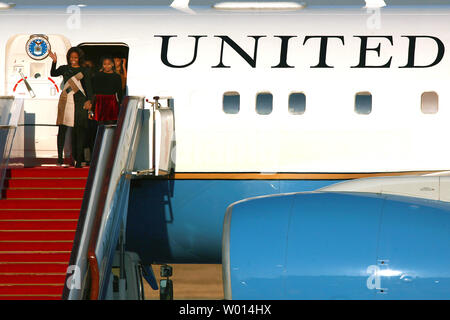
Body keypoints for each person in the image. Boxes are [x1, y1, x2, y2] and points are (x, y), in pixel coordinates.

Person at [49, 47, 93, 168]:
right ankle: (59, 159)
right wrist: (54, 62)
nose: (73, 60)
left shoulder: (84, 70)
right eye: (71, 57)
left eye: (75, 57)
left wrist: (90, 101)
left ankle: (78, 160)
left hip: (80, 101)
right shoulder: (64, 68)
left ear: (79, 58)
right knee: (62, 129)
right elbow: (53, 74)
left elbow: (88, 87)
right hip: (65, 100)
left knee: (79, 131)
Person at [91, 56, 123, 124]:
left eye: (109, 64)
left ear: (112, 64)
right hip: (100, 101)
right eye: (104, 64)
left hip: (111, 101)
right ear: (102, 65)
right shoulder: (97, 75)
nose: (106, 66)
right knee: (100, 123)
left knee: (111, 122)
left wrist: (121, 103)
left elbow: (119, 91)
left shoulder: (117, 76)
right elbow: (94, 90)